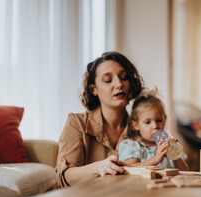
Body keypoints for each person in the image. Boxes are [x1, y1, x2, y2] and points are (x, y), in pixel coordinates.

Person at [55, 51, 145, 187]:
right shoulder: (76, 123)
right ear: (93, 90)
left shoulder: (144, 126)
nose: (119, 84)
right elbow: (65, 176)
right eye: (108, 80)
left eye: (124, 77)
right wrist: (98, 168)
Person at [118, 89, 189, 171]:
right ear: (135, 125)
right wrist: (155, 159)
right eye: (148, 122)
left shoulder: (168, 144)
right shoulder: (132, 145)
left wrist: (175, 155)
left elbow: (185, 171)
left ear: (165, 120)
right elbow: (129, 167)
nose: (155, 126)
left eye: (159, 120)